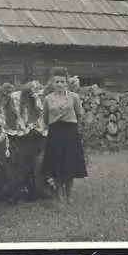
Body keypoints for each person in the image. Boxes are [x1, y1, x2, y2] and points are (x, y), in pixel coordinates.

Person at [41, 67, 88, 203]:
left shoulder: (74, 97)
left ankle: (69, 195)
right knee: (57, 164)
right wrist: (51, 127)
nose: (59, 84)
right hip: (55, 132)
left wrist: (75, 129)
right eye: (56, 82)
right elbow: (45, 117)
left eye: (62, 81)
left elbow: (79, 114)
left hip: (70, 132)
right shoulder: (48, 99)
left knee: (69, 164)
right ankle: (60, 195)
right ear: (52, 83)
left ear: (66, 83)